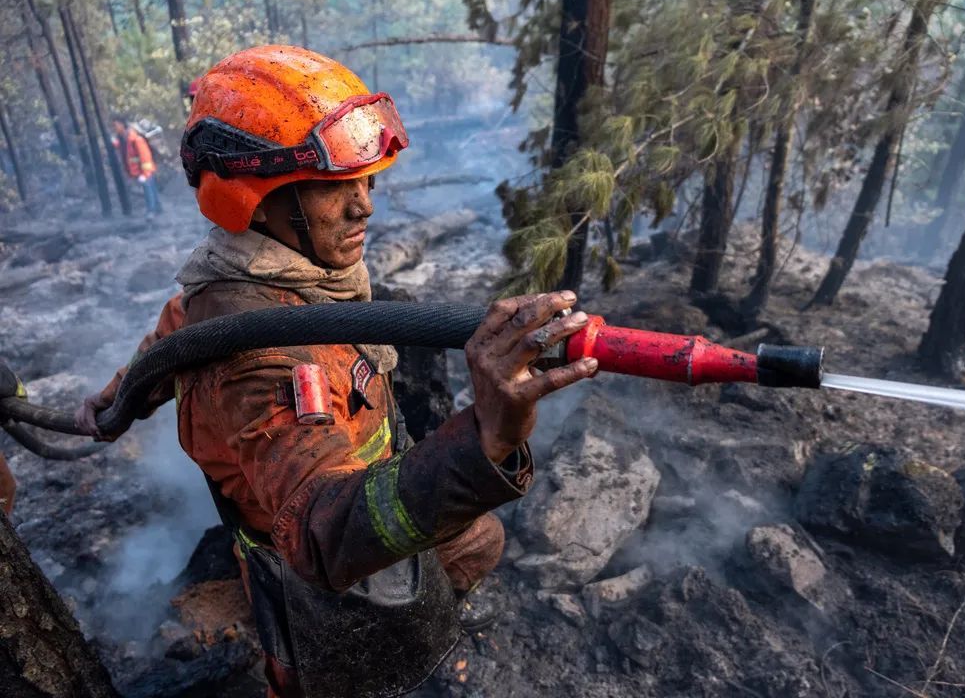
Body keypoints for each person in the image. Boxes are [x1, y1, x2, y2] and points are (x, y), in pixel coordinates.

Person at [76, 45, 597, 698]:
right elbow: (324, 535)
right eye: (333, 187)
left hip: (368, 485)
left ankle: (437, 627)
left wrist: (117, 396)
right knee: (319, 674)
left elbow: (170, 338)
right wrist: (486, 440)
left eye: (367, 179)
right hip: (314, 565)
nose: (365, 207)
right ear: (252, 200)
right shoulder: (258, 356)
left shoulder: (270, 272)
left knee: (478, 542)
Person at [111, 114, 163, 217]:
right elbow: (123, 148)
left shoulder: (136, 139)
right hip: (140, 171)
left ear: (122, 125)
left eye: (115, 125)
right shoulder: (123, 138)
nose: (114, 128)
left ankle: (151, 211)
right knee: (151, 188)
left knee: (148, 189)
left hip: (145, 170)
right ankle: (158, 208)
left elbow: (145, 157)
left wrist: (145, 174)